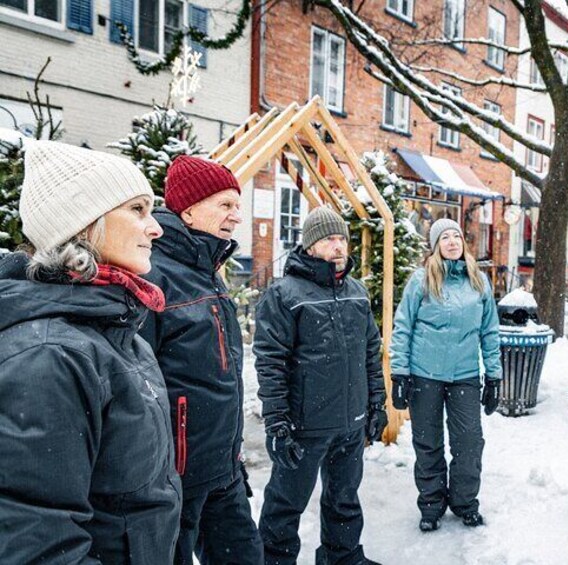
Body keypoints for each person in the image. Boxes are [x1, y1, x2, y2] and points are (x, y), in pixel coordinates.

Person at [0, 141, 180, 563]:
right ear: (83, 226)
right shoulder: (49, 355)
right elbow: (40, 543)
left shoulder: (119, 332)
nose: (156, 228)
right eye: (137, 210)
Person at [139, 155, 263, 564]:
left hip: (222, 467)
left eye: (236, 206)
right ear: (189, 209)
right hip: (176, 476)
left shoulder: (207, 266)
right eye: (224, 205)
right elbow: (138, 382)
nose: (235, 217)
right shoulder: (154, 273)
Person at [254, 206, 386, 565]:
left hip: (351, 422)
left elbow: (371, 353)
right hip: (305, 425)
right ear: (311, 245)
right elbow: (271, 362)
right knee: (285, 504)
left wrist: (377, 404)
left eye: (342, 237)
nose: (339, 245)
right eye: (329, 238)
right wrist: (278, 422)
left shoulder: (357, 292)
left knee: (344, 498)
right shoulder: (285, 295)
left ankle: (342, 556)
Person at [390, 218, 501, 533]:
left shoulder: (478, 281)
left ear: (463, 243)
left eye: (456, 236)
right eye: (444, 238)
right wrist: (400, 374)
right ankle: (431, 505)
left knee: (469, 443)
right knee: (428, 443)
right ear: (436, 246)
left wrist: (494, 377)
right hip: (424, 376)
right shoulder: (421, 280)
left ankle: (465, 502)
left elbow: (489, 332)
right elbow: (403, 327)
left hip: (465, 375)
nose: (452, 241)